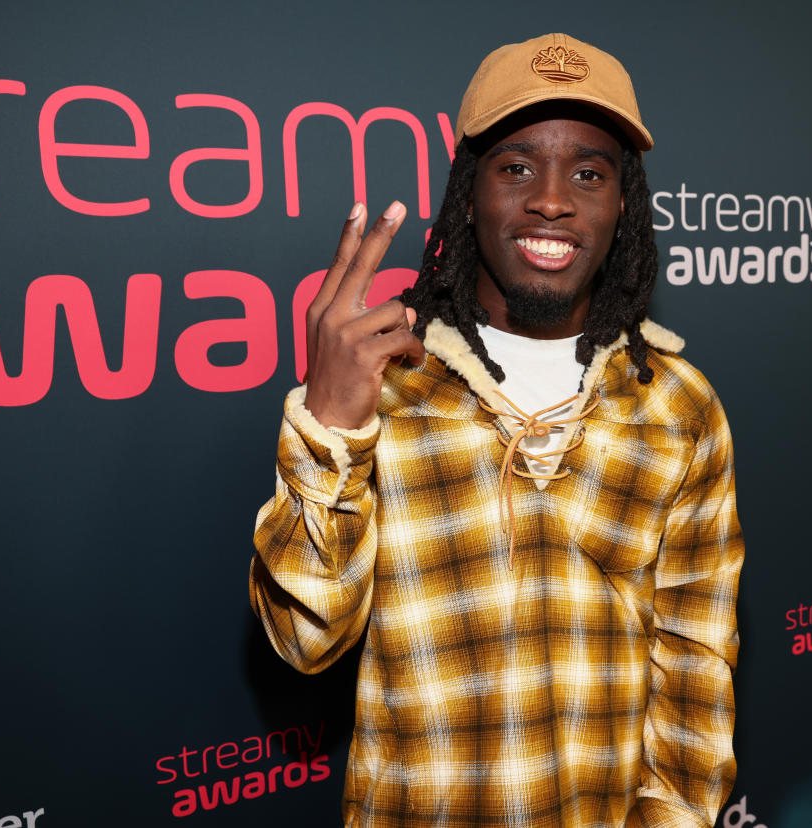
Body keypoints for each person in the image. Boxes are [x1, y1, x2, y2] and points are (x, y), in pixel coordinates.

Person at [250, 33, 743, 827]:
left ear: (624, 207)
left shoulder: (676, 404)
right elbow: (305, 640)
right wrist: (332, 425)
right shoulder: (383, 384)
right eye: (516, 167)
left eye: (589, 172)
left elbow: (695, 661)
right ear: (468, 194)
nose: (552, 199)